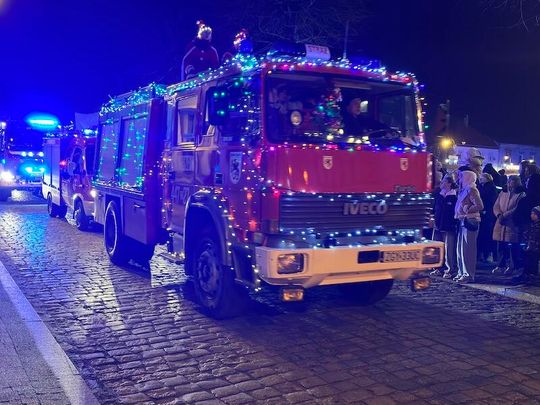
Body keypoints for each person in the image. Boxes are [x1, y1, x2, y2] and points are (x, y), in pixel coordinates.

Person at [492, 175, 526, 276]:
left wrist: (505, 215)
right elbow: (496, 205)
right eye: (510, 181)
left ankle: (513, 266)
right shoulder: (503, 193)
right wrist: (499, 215)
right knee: (501, 245)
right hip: (500, 222)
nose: (510, 183)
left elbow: (517, 208)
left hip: (511, 223)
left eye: (513, 181)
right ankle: (501, 265)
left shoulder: (521, 194)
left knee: (512, 246)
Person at [455, 170, 484, 283]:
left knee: (468, 249)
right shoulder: (464, 190)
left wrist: (468, 208)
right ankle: (462, 272)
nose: (460, 179)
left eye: (462, 177)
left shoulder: (472, 189)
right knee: (461, 249)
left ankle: (468, 274)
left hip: (470, 221)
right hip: (463, 220)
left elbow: (479, 205)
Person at [430, 174, 458, 278]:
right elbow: (435, 208)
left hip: (448, 226)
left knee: (449, 249)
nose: (442, 183)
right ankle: (437, 268)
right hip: (437, 225)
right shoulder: (439, 195)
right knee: (437, 248)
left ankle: (449, 269)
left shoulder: (454, 197)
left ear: (449, 183)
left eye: (444, 181)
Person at [514, 206, 540, 284]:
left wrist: (532, 244)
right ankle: (526, 273)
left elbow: (536, 237)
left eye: (534, 214)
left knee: (533, 259)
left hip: (536, 247)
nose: (532, 215)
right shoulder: (532, 225)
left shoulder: (538, 226)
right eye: (531, 213)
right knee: (526, 259)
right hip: (529, 246)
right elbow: (527, 234)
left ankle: (532, 274)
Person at [478, 173, 498, 263]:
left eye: (482, 178)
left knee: (488, 235)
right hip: (483, 214)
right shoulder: (481, 187)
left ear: (487, 178)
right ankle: (483, 254)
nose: (480, 179)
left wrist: (486, 210)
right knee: (483, 235)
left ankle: (489, 254)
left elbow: (491, 201)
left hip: (488, 214)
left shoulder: (491, 188)